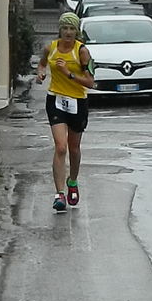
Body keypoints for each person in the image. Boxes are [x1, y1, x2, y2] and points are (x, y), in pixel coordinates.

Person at [36, 12, 95, 212]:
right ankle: (59, 194)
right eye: (65, 28)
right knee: (60, 147)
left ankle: (72, 181)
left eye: (72, 29)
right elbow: (42, 63)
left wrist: (68, 74)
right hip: (56, 100)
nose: (68, 32)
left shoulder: (82, 52)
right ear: (60, 30)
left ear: (76, 31)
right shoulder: (50, 48)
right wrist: (41, 73)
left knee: (74, 148)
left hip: (77, 101)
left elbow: (91, 82)